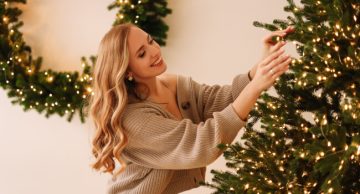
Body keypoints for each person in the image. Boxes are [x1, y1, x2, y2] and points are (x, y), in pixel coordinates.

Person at [87, 23, 294, 194]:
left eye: (150, 41)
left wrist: (260, 66)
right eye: (142, 54)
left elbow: (221, 100)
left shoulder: (173, 84)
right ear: (127, 71)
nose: (154, 51)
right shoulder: (134, 119)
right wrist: (256, 86)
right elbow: (202, 144)